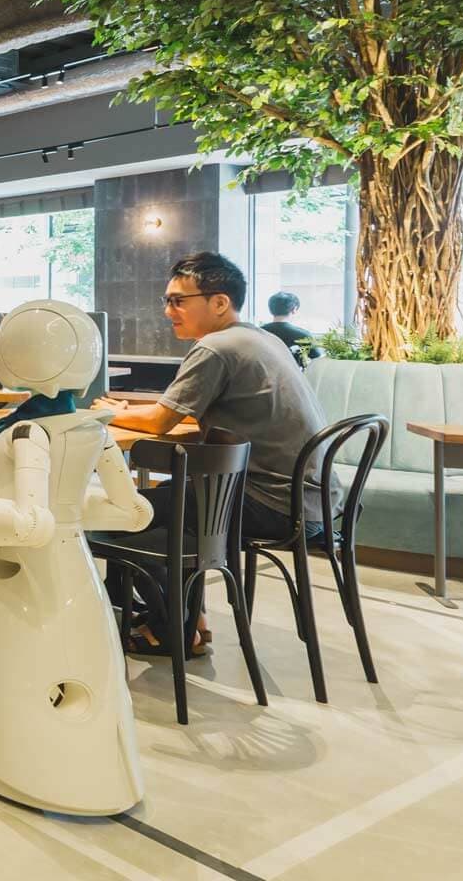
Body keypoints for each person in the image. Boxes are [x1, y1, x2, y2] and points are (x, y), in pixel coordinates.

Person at [94, 252, 338, 655]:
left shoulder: (216, 347)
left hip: (272, 502)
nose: (168, 311)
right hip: (311, 499)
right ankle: (187, 619)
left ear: (220, 302)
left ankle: (175, 629)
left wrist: (110, 412)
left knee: (129, 511)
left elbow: (161, 421)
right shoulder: (261, 338)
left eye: (178, 301)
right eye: (167, 301)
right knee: (171, 500)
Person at [261, 291, 320, 366]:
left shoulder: (258, 332)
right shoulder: (303, 335)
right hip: (293, 373)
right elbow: (317, 361)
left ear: (270, 310)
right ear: (294, 309)